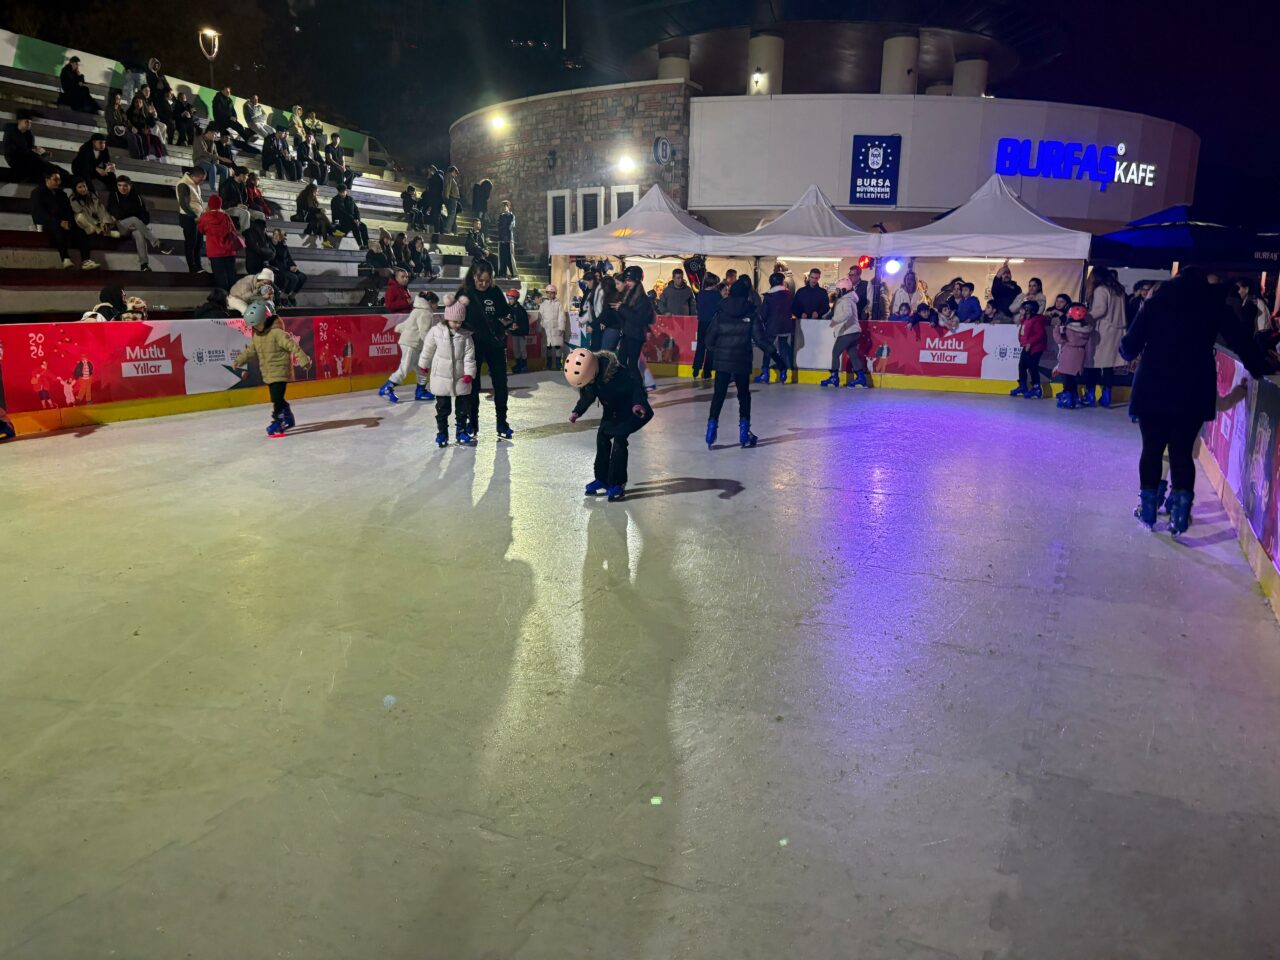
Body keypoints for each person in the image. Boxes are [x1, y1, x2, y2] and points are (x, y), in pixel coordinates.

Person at [1122, 268, 1275, 535]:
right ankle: (1180, 515)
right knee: (1181, 451)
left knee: (1152, 449)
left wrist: (1133, 348)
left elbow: (1129, 347)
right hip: (1193, 388)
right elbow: (1241, 342)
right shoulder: (1213, 306)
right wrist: (1259, 367)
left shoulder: (1156, 303)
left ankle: (1147, 510)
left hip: (1153, 385)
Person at [565, 348, 653, 502]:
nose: (589, 384)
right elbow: (588, 396)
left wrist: (638, 404)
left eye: (588, 381)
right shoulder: (591, 375)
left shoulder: (618, 373)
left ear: (592, 370)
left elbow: (636, 387)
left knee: (619, 442)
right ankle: (602, 479)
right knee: (602, 438)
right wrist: (577, 412)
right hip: (611, 412)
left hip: (629, 411)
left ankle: (618, 483)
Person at [704, 275, 766, 448]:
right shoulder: (751, 313)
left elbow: (708, 340)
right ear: (746, 295)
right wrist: (776, 356)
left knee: (718, 395)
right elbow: (760, 339)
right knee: (743, 395)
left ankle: (711, 429)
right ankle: (744, 432)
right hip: (742, 360)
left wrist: (719, 350)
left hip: (722, 362)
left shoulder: (720, 313)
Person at [233, 302, 311, 437]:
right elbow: (250, 351)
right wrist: (239, 360)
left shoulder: (277, 333)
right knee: (277, 398)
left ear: (265, 319)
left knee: (277, 399)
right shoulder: (257, 336)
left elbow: (293, 347)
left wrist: (304, 361)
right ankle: (288, 416)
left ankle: (278, 421)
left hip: (280, 371)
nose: (256, 328)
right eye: (254, 326)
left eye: (258, 324)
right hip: (268, 373)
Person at [456, 259, 514, 440]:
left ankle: (502, 422)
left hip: (495, 345)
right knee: (473, 385)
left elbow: (507, 314)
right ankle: (472, 422)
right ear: (473, 276)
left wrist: (503, 325)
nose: (483, 284)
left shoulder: (495, 292)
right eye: (480, 280)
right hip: (472, 346)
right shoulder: (464, 293)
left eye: (487, 281)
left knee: (500, 383)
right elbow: (454, 319)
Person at [420, 295, 477, 446]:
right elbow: (428, 349)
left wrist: (469, 373)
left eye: (460, 322)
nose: (457, 324)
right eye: (454, 321)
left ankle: (461, 431)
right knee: (442, 408)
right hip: (441, 376)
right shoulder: (435, 331)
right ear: (447, 318)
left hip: (460, 377)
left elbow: (469, 356)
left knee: (462, 408)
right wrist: (424, 364)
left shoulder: (466, 336)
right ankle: (442, 433)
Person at [377, 291, 439, 404]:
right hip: (411, 344)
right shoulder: (425, 313)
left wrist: (399, 328)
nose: (437, 306)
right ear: (430, 302)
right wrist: (432, 345)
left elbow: (406, 324)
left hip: (412, 344)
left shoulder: (417, 310)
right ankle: (387, 387)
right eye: (436, 303)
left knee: (422, 368)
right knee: (405, 368)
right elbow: (424, 332)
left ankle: (420, 391)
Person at [31, 170, 96, 269]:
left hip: (63, 222)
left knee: (81, 227)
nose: (58, 182)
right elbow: (39, 213)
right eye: (55, 180)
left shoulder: (61, 194)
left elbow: (68, 210)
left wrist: (68, 221)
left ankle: (86, 260)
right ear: (47, 179)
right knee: (56, 227)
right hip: (47, 223)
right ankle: (65, 258)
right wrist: (59, 222)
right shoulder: (37, 193)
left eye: (59, 180)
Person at [1083, 266, 1128, 407]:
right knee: (1109, 365)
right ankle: (1107, 394)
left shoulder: (1101, 290)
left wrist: (1086, 316)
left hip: (1104, 330)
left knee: (1093, 363)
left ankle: (1090, 394)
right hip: (1117, 330)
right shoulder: (1118, 290)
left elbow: (1100, 310)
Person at [107, 176, 165, 271]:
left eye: (125, 186)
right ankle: (157, 243)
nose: (122, 188)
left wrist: (136, 223)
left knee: (139, 234)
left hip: (134, 227)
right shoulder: (114, 195)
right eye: (119, 185)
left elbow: (145, 216)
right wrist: (133, 218)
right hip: (119, 227)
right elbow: (116, 214)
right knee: (134, 219)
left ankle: (144, 265)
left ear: (130, 186)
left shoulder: (137, 197)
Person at [821, 278, 868, 388]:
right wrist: (825, 316)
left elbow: (847, 313)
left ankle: (834, 377)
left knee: (835, 353)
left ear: (844, 290)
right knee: (853, 354)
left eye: (838, 289)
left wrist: (835, 321)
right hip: (853, 331)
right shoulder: (848, 299)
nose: (836, 292)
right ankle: (861, 379)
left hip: (847, 331)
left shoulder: (845, 300)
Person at [4, 110, 67, 183]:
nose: (29, 124)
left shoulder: (28, 134)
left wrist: (42, 152)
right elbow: (10, 151)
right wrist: (31, 152)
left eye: (30, 122)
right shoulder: (11, 132)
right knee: (39, 162)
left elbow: (30, 148)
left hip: (28, 158)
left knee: (41, 164)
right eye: (26, 122)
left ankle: (58, 173)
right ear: (19, 121)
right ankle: (58, 173)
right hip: (15, 160)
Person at [615, 265, 654, 379]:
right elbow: (627, 316)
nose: (627, 283)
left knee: (632, 364)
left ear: (637, 280)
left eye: (630, 280)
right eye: (626, 280)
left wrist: (622, 308)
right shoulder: (629, 294)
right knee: (621, 361)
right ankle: (626, 385)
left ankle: (638, 387)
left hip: (636, 336)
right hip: (627, 334)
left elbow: (639, 319)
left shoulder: (643, 299)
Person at [756, 271, 795, 384]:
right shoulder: (789, 294)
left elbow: (764, 313)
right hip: (786, 325)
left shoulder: (769, 296)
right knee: (784, 348)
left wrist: (761, 322)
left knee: (768, 348)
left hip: (772, 326)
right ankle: (786, 373)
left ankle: (765, 373)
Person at [197, 195, 241, 292]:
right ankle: (234, 296)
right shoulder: (225, 216)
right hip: (229, 250)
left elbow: (201, 230)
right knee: (231, 275)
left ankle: (223, 297)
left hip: (215, 251)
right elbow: (233, 230)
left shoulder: (205, 217)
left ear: (209, 204)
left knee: (220, 276)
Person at [1053, 304, 1093, 409]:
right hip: (1080, 354)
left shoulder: (1069, 329)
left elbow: (1059, 340)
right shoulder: (1086, 330)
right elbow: (1089, 346)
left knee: (1066, 379)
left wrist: (1056, 330)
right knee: (1074, 379)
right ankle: (1075, 397)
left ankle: (1068, 399)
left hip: (1068, 354)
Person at [1010, 299, 1048, 399]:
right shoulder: (1026, 319)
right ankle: (1023, 385)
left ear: (1028, 310)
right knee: (1022, 366)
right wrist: (1021, 320)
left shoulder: (1037, 320)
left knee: (1032, 367)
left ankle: (1036, 388)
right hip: (1026, 346)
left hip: (1035, 348)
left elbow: (1039, 334)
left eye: (1022, 309)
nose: (1020, 311)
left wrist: (1030, 343)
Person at [174, 166, 207, 274]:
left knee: (199, 244)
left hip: (198, 218)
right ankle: (192, 268)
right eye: (201, 179)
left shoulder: (195, 183)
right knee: (191, 243)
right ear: (194, 176)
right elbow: (184, 204)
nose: (202, 182)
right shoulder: (183, 184)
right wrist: (194, 216)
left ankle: (199, 266)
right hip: (189, 218)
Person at [691, 272, 723, 381]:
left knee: (700, 346)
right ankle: (707, 371)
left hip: (702, 323)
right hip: (712, 324)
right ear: (713, 284)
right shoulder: (716, 295)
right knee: (710, 348)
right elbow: (720, 308)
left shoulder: (700, 294)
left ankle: (696, 369)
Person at [219, 166, 264, 233]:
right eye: (246, 175)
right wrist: (237, 205)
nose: (247, 177)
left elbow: (245, 200)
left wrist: (244, 205)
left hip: (240, 208)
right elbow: (223, 204)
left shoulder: (242, 185)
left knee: (261, 215)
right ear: (241, 175)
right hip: (228, 209)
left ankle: (260, 236)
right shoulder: (226, 185)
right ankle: (244, 235)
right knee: (245, 213)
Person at [268, 229, 306, 306]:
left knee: (303, 277)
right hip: (279, 268)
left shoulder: (283, 245)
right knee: (294, 278)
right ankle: (284, 298)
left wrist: (293, 265)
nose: (277, 236)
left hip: (287, 267)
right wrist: (289, 268)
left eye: (279, 235)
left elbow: (288, 257)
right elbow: (275, 260)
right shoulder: (271, 245)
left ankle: (292, 297)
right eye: (275, 234)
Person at [294, 182, 334, 248]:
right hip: (304, 217)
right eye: (316, 191)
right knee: (321, 214)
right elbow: (309, 209)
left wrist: (319, 210)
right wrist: (319, 210)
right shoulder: (305, 197)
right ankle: (332, 230)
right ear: (312, 191)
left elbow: (313, 209)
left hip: (311, 216)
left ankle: (325, 240)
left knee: (322, 222)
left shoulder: (311, 197)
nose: (317, 193)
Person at [540, 284, 570, 370]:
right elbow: (540, 317)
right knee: (548, 347)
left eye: (552, 293)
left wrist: (561, 328)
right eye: (548, 293)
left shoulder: (558, 304)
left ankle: (558, 364)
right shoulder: (543, 304)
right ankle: (548, 364)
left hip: (556, 330)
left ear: (555, 293)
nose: (550, 295)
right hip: (547, 330)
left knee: (557, 347)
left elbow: (561, 317)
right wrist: (541, 328)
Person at [330, 184, 370, 249]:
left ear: (346, 191)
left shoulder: (350, 199)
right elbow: (342, 213)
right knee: (354, 224)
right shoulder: (335, 200)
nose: (342, 194)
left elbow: (356, 210)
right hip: (340, 223)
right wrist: (353, 220)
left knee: (363, 226)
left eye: (343, 192)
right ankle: (360, 245)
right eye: (340, 192)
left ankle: (366, 245)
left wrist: (357, 219)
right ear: (338, 192)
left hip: (352, 221)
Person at [126, 95, 165, 160]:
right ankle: (146, 155)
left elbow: (152, 124)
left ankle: (159, 156)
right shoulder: (130, 112)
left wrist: (153, 116)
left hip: (145, 132)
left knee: (156, 139)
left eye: (140, 102)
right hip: (136, 133)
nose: (138, 104)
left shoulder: (144, 112)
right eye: (136, 102)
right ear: (133, 103)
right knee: (146, 137)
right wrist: (141, 130)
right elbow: (129, 124)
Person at [193, 128, 231, 193]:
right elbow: (203, 152)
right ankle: (213, 190)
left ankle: (223, 190)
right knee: (212, 167)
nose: (215, 136)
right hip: (200, 162)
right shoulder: (198, 139)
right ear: (209, 132)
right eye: (215, 134)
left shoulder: (213, 143)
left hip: (210, 164)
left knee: (225, 169)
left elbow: (216, 154)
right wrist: (220, 158)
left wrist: (216, 162)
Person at [506, 288, 531, 373]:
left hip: (520, 333)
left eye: (511, 299)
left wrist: (520, 328)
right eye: (508, 299)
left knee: (522, 349)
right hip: (514, 333)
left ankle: (524, 365)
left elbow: (525, 323)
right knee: (516, 349)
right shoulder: (508, 308)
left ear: (516, 299)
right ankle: (519, 364)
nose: (509, 301)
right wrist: (509, 326)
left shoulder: (521, 310)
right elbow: (506, 319)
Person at [444, 165, 462, 233]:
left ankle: (454, 230)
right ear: (453, 171)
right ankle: (447, 229)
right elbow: (447, 187)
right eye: (456, 173)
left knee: (453, 215)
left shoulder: (450, 177)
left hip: (452, 198)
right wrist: (446, 196)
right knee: (451, 214)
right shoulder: (449, 176)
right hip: (452, 198)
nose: (456, 175)